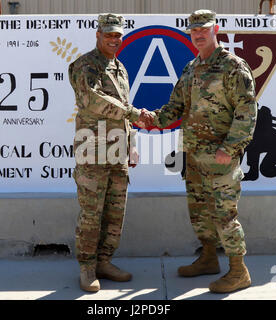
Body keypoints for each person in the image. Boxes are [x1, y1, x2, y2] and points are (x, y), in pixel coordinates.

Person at [140, 9, 257, 293]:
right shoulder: (191, 68)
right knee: (200, 212)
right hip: (193, 156)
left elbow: (247, 112)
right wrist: (152, 119)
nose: (198, 34)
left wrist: (229, 148)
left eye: (203, 29)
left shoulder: (233, 67)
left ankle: (239, 271)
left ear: (215, 29)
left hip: (220, 159)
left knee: (224, 215)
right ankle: (207, 259)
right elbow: (176, 107)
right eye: (194, 31)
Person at [68, 13, 151, 292]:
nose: (114, 39)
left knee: (115, 212)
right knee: (92, 212)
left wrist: (133, 145)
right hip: (92, 150)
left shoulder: (120, 68)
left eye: (117, 35)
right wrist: (133, 113)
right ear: (98, 34)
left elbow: (125, 109)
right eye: (109, 34)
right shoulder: (84, 66)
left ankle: (104, 262)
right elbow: (92, 100)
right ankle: (87, 267)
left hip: (118, 148)